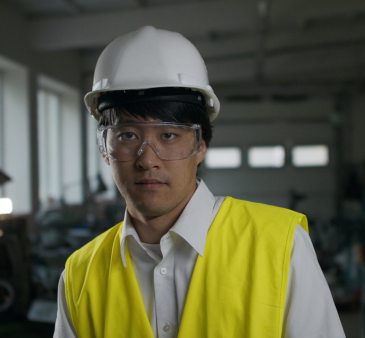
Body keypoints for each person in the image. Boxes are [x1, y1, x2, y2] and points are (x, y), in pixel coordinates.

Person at [54, 25, 345, 338]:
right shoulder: (80, 275)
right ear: (104, 150)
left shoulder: (280, 247)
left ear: (201, 145)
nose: (147, 159)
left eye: (168, 135)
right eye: (127, 135)